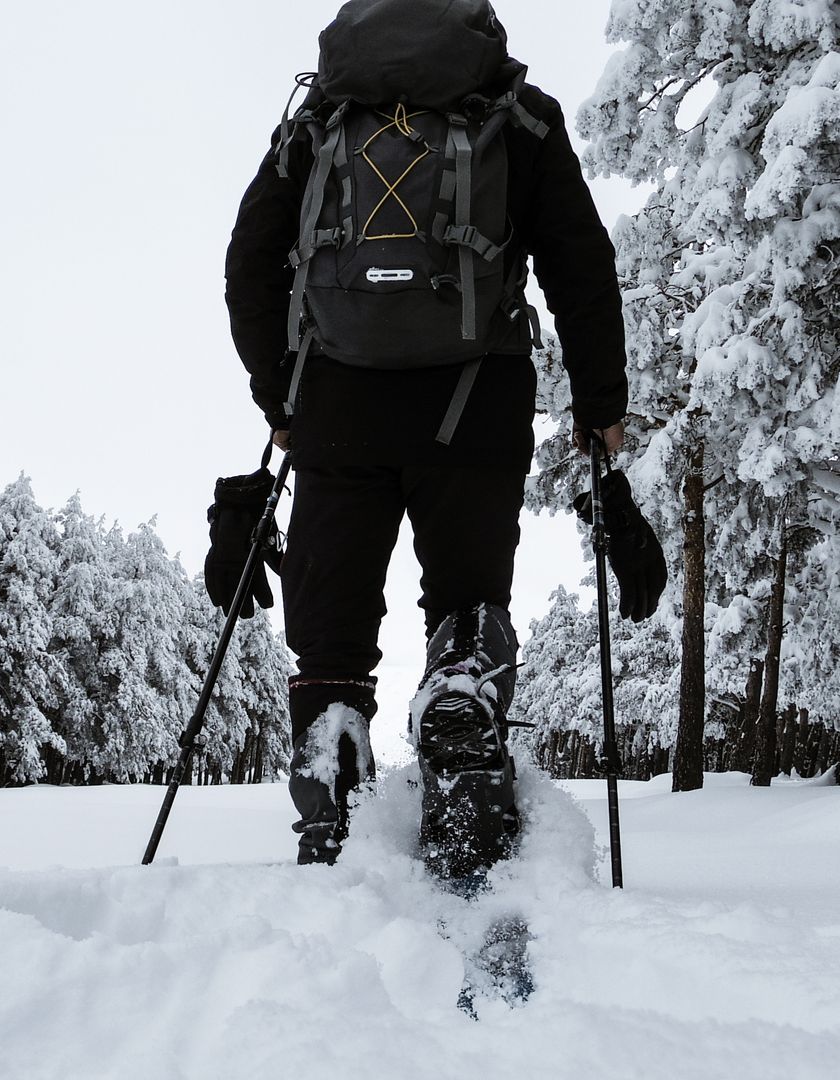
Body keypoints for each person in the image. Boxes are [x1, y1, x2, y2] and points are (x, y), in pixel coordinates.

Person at [223, 0, 628, 876]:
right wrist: (601, 406)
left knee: (331, 631)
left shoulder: (322, 118)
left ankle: (334, 807)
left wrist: (278, 394)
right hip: (476, 401)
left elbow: (250, 260)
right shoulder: (517, 116)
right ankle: (463, 749)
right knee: (465, 599)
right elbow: (580, 265)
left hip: (335, 406)